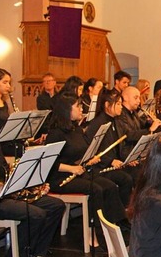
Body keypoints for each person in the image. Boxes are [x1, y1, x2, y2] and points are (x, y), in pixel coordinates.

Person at [0, 92, 65, 257]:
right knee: (34, 214)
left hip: (1, 193)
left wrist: (28, 185)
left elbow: (3, 168)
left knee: (56, 205)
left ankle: (35, 254)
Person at [45, 94, 129, 232]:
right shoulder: (55, 134)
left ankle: (116, 223)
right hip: (60, 178)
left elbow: (82, 153)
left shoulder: (76, 129)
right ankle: (94, 232)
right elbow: (50, 163)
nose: (81, 109)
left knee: (110, 186)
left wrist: (90, 159)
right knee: (96, 189)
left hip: (79, 173)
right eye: (77, 106)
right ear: (67, 110)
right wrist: (72, 168)